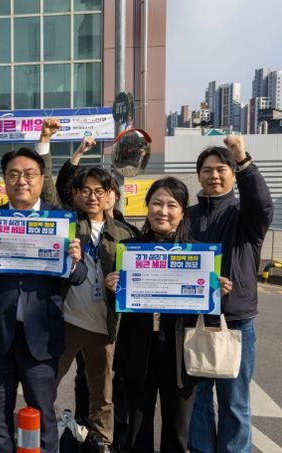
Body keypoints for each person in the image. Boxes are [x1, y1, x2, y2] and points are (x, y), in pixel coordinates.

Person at [0, 147, 86, 453]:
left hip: (41, 335)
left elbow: (79, 275)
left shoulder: (60, 220)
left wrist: (73, 261)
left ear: (41, 178)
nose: (21, 181)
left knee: (42, 412)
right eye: (14, 174)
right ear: (4, 180)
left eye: (29, 174)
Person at [104, 177, 232, 453]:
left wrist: (217, 294)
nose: (163, 211)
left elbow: (207, 309)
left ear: (183, 212)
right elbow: (118, 304)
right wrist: (112, 288)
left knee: (178, 429)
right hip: (138, 349)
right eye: (157, 203)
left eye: (171, 205)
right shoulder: (129, 250)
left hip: (181, 351)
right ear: (147, 207)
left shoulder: (201, 254)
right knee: (137, 427)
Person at [187, 135, 274, 453]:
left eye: (221, 169)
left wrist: (242, 159)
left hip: (235, 320)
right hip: (194, 318)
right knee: (197, 400)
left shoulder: (245, 215)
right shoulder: (188, 217)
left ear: (233, 174)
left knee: (235, 400)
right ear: (199, 176)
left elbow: (262, 203)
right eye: (207, 170)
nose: (214, 175)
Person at [52, 166, 136, 447]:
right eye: (85, 190)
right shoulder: (65, 226)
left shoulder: (125, 234)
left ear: (109, 194)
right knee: (45, 384)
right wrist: (46, 147)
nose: (92, 196)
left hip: (105, 327)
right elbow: (50, 192)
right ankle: (40, 435)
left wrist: (121, 283)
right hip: (68, 323)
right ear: (75, 193)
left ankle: (102, 442)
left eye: (99, 191)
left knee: (102, 394)